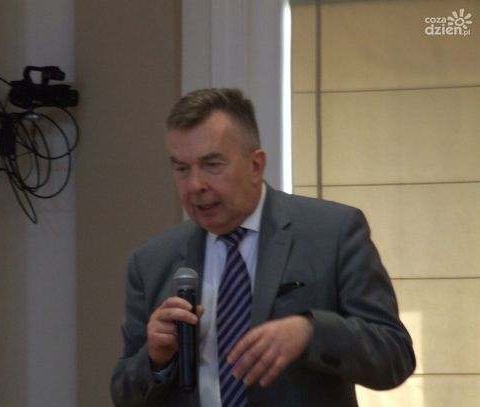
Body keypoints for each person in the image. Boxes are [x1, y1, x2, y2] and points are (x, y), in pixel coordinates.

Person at [110, 88, 415, 407]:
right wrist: (156, 359)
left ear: (256, 165)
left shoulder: (333, 233)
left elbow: (394, 356)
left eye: (212, 165)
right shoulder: (151, 262)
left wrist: (311, 332)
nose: (195, 185)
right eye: (182, 168)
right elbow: (124, 395)